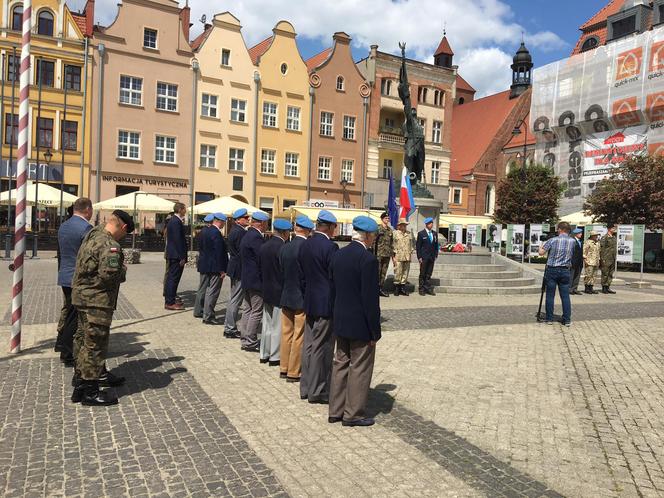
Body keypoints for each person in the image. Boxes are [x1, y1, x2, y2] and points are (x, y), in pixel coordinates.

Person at [70, 210, 134, 406]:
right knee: (95, 344)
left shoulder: (93, 233)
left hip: (81, 298)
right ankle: (90, 391)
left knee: (82, 340)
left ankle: (80, 383)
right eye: (125, 233)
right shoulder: (110, 246)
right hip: (97, 302)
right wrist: (122, 270)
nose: (123, 237)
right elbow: (110, 276)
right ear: (123, 227)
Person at [328, 216, 381, 427]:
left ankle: (335, 410)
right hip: (360, 323)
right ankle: (353, 413)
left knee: (340, 364)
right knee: (359, 367)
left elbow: (332, 290)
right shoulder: (367, 260)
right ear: (367, 236)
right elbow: (370, 300)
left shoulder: (338, 255)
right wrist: (374, 331)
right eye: (373, 236)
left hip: (341, 319)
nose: (373, 240)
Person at [299, 210, 339, 404]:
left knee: (308, 344)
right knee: (321, 347)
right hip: (325, 302)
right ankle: (318, 390)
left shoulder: (305, 244)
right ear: (330, 227)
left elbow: (302, 275)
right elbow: (334, 277)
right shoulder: (330, 247)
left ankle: (305, 386)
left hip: (310, 299)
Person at [55, 197, 93, 366]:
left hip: (65, 275)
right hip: (79, 278)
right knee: (75, 316)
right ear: (87, 210)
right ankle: (68, 352)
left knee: (69, 312)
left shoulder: (64, 226)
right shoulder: (86, 228)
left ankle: (62, 345)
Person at [279, 215, 313, 382]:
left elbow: (281, 272)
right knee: (299, 335)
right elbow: (306, 275)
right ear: (307, 230)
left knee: (286, 333)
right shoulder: (306, 247)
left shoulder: (286, 246)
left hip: (286, 294)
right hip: (300, 296)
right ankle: (294, 371)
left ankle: (283, 367)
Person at [259, 219, 291, 366]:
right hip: (279, 290)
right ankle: (275, 356)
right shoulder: (283, 248)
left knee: (266, 324)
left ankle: (264, 353)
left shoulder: (264, 246)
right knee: (277, 326)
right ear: (284, 232)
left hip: (266, 289)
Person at [239, 211, 269, 352]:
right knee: (256, 311)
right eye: (266, 224)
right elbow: (261, 258)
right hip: (256, 280)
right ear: (262, 223)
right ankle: (250, 340)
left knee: (248, 309)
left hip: (247, 278)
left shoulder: (247, 235)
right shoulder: (256, 237)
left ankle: (244, 338)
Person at [538, 221, 576, 326]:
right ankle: (567, 319)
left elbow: (541, 253)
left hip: (552, 270)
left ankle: (549, 318)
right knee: (565, 296)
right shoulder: (573, 241)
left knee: (550, 295)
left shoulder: (553, 240)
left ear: (559, 229)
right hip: (565, 270)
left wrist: (541, 245)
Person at [196, 213, 228, 325]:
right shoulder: (216, 233)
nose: (224, 224)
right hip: (215, 267)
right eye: (224, 222)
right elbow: (218, 253)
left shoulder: (204, 231)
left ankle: (204, 312)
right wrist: (221, 270)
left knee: (205, 289)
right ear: (220, 221)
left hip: (205, 264)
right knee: (213, 292)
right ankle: (208, 315)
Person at [224, 208, 250, 339]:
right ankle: (230, 328)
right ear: (238, 220)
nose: (248, 219)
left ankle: (229, 326)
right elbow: (242, 253)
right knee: (235, 299)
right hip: (239, 269)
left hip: (235, 268)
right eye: (245, 218)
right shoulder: (240, 233)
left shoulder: (236, 230)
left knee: (234, 298)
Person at [164, 202, 188, 310]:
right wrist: (182, 256)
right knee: (173, 279)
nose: (185, 211)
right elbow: (178, 241)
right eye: (184, 209)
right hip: (176, 255)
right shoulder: (175, 221)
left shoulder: (175, 221)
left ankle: (171, 299)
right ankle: (169, 302)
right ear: (180, 210)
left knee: (173, 278)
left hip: (174, 254)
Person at [193, 214, 215, 319]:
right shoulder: (208, 233)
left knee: (202, 286)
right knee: (203, 288)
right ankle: (198, 310)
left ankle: (199, 309)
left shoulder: (202, 232)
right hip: (207, 263)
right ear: (211, 222)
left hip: (203, 262)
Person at [416, 217, 438, 296]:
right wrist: (419, 257)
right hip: (424, 257)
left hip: (431, 257)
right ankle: (421, 288)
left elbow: (436, 245)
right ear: (426, 224)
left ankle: (427, 288)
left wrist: (436, 255)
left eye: (432, 223)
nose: (431, 225)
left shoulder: (434, 233)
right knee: (422, 273)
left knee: (429, 273)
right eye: (429, 223)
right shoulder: (421, 234)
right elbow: (418, 247)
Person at [374, 212, 394, 297]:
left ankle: (381, 288)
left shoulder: (390, 230)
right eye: (386, 218)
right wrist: (373, 253)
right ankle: (374, 289)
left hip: (387, 254)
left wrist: (393, 255)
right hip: (378, 253)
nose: (387, 220)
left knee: (383, 272)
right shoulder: (378, 228)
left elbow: (391, 243)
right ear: (382, 219)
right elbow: (374, 241)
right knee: (377, 272)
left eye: (388, 218)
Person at [392, 218, 414, 296]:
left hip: (407, 256)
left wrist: (411, 253)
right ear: (400, 226)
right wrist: (393, 257)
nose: (404, 226)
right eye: (403, 225)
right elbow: (392, 245)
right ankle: (396, 288)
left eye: (405, 225)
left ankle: (402, 288)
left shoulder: (409, 234)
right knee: (398, 272)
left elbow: (411, 245)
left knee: (405, 272)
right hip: (398, 256)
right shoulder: (395, 233)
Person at [600, 224, 618, 294]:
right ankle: (604, 287)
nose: (614, 229)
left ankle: (608, 286)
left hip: (612, 258)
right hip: (606, 258)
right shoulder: (604, 237)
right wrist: (602, 259)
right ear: (609, 229)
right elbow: (602, 249)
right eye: (613, 228)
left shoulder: (614, 237)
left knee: (610, 273)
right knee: (605, 273)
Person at [570, 228, 584, 295]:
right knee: (571, 276)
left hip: (579, 262)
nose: (581, 234)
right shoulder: (572, 241)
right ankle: (570, 289)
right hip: (573, 262)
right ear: (576, 234)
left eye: (581, 233)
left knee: (577, 276)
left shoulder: (580, 241)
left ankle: (575, 288)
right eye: (580, 233)